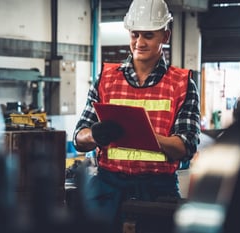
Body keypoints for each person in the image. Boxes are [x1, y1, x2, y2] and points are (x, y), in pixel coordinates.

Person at [72, 0, 200, 231]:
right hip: (106, 189)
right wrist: (95, 135)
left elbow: (187, 146)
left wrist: (147, 136)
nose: (139, 42)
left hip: (158, 193)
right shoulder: (106, 79)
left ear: (166, 36)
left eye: (148, 35)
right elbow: (78, 138)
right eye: (135, 34)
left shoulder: (182, 84)